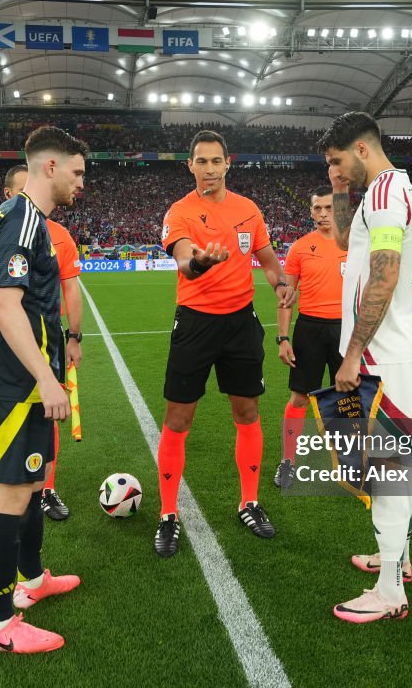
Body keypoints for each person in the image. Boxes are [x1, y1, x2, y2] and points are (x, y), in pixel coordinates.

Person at [153, 129, 295, 558]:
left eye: (216, 161)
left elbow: (268, 262)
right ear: (190, 165)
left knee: (247, 412)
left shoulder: (248, 210)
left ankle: (249, 501)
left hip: (240, 324)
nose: (209, 169)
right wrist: (197, 260)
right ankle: (168, 514)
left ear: (228, 163)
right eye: (202, 161)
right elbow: (182, 258)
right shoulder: (180, 211)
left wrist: (280, 283)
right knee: (178, 419)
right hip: (195, 323)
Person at [0, 126, 86, 654]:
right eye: (77, 171)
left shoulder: (27, 218)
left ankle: (32, 579)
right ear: (50, 167)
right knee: (9, 496)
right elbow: (4, 305)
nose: (81, 182)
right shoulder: (21, 218)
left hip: (26, 380)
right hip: (19, 384)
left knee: (33, 485)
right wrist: (45, 377)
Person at [320, 111, 412, 624]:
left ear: (361, 149)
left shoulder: (385, 196)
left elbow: (381, 280)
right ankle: (397, 561)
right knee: (396, 465)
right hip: (394, 349)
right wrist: (338, 188)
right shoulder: (389, 193)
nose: (336, 172)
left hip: (381, 355)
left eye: (339, 162)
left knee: (386, 470)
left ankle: (388, 592)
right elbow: (344, 243)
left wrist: (353, 354)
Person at [0, 164, 84, 529]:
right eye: (77, 172)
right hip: (13, 364)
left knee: (38, 453)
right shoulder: (12, 225)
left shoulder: (57, 234)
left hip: (42, 356)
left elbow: (68, 288)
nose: (81, 182)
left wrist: (73, 337)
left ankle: (43, 495)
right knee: (8, 480)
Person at [274, 186, 344, 489]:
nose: (323, 214)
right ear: (311, 211)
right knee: (300, 398)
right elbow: (286, 298)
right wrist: (283, 338)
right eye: (318, 208)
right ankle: (288, 461)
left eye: (328, 208)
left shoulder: (356, 244)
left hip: (346, 331)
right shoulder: (300, 248)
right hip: (309, 329)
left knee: (347, 400)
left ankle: (348, 463)